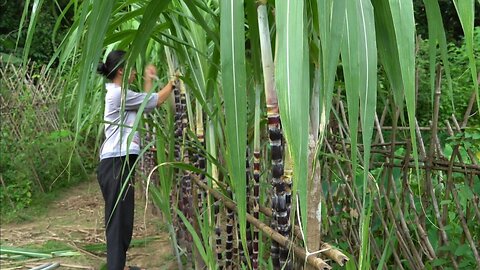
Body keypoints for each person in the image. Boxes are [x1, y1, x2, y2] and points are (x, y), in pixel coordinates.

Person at [96, 50, 174, 270]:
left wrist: (149, 80)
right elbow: (156, 101)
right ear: (121, 69)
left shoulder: (122, 94)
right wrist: (175, 82)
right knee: (118, 225)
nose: (135, 72)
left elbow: (144, 106)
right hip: (116, 165)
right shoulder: (117, 95)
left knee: (123, 222)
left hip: (119, 165)